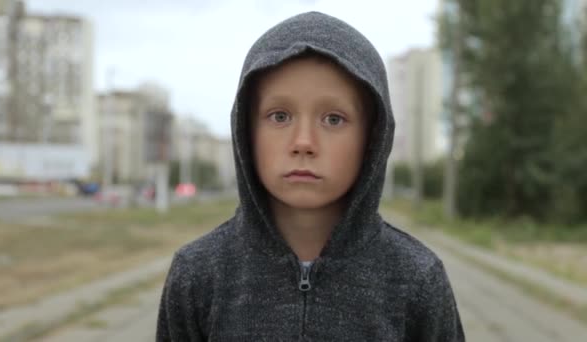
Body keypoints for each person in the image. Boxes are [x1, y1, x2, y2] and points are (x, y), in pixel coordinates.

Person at [157, 11, 465, 341]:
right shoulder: (198, 275)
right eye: (279, 116)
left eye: (333, 119)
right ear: (247, 130)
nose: (303, 142)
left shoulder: (416, 279)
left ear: (372, 138)